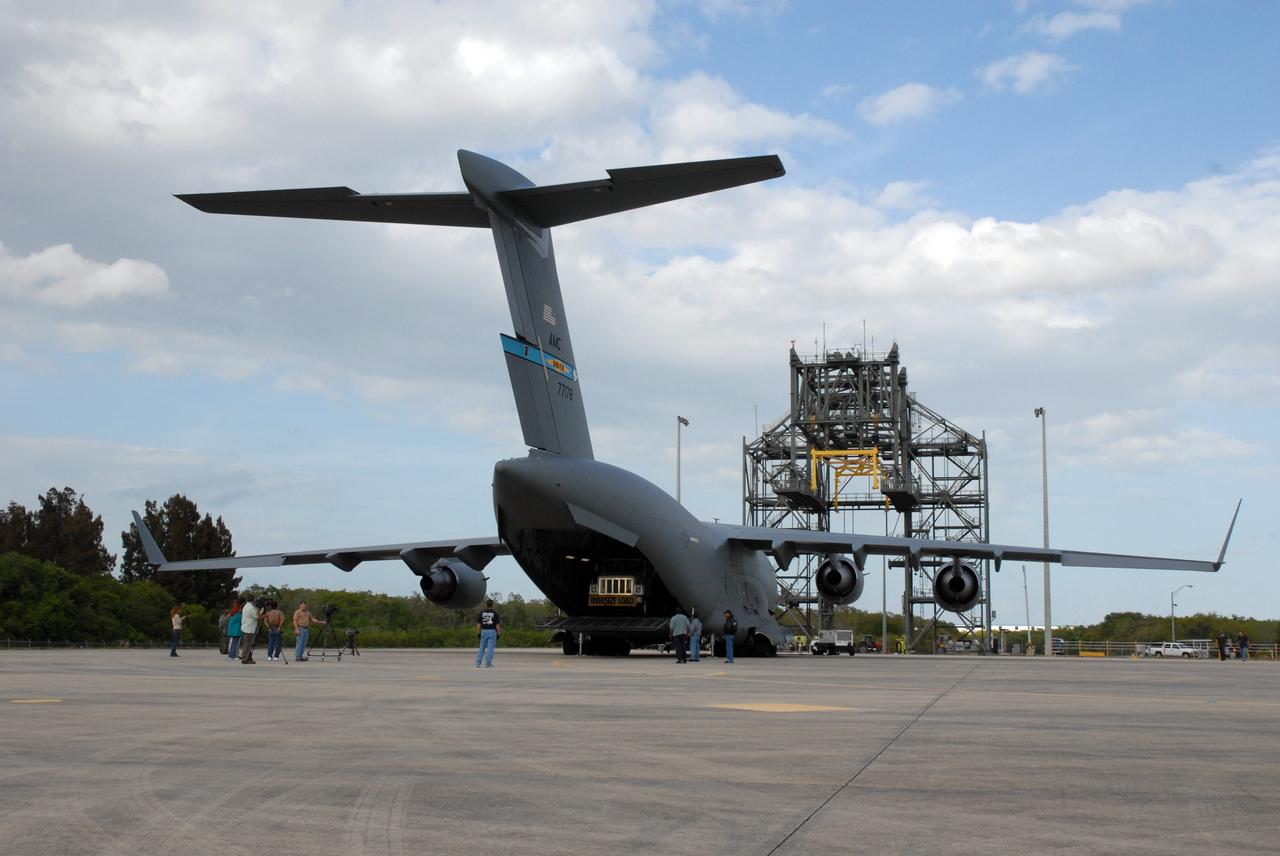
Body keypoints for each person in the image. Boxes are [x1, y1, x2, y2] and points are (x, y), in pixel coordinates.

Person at [475, 599, 502, 668]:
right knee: (490, 648)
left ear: (486, 604)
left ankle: (478, 663)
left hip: (483, 631)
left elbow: (478, 624)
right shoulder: (495, 614)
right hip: (492, 631)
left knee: (482, 647)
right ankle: (488, 664)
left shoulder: (482, 613)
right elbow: (497, 625)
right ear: (492, 605)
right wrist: (498, 633)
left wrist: (478, 632)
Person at [239, 596, 261, 664]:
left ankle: (248, 658)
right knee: (248, 644)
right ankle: (245, 659)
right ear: (252, 600)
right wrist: (265, 615)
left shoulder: (247, 606)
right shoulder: (250, 608)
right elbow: (257, 617)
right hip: (249, 629)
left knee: (248, 644)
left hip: (247, 627)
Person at [226, 597, 243, 662]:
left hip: (231, 631)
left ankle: (231, 656)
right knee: (235, 645)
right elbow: (242, 622)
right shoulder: (239, 615)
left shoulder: (232, 614)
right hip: (236, 632)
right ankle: (233, 656)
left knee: (233, 644)